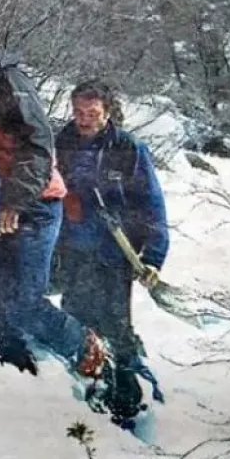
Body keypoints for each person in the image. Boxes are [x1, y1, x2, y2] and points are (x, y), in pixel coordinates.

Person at [0, 30, 109, 381]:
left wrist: (14, 200)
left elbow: (37, 148)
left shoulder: (8, 82)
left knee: (25, 303)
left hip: (34, 203)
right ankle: (15, 378)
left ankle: (83, 344)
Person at [53, 80, 169, 427]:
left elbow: (153, 205)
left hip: (115, 252)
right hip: (72, 249)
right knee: (77, 318)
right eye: (78, 112)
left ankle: (128, 402)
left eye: (92, 114)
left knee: (116, 325)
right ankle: (89, 392)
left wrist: (153, 257)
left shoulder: (128, 148)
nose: (84, 120)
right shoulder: (61, 144)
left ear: (107, 113)